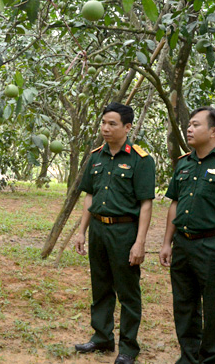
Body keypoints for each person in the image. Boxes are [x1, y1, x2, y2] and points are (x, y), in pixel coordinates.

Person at [159, 107, 215, 364]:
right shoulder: (184, 163)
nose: (189, 129)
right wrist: (166, 242)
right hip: (183, 245)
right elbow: (174, 203)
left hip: (213, 245)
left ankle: (214, 359)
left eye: (196, 125)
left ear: (213, 131)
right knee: (184, 306)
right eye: (189, 125)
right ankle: (188, 357)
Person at [74, 102, 156, 364]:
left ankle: (128, 347)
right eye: (103, 123)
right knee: (100, 286)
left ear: (127, 127)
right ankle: (102, 337)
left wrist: (140, 242)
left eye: (112, 124)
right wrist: (81, 231)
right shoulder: (96, 156)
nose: (105, 128)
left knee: (128, 291)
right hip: (98, 228)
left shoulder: (141, 160)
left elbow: (146, 203)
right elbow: (90, 195)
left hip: (124, 231)